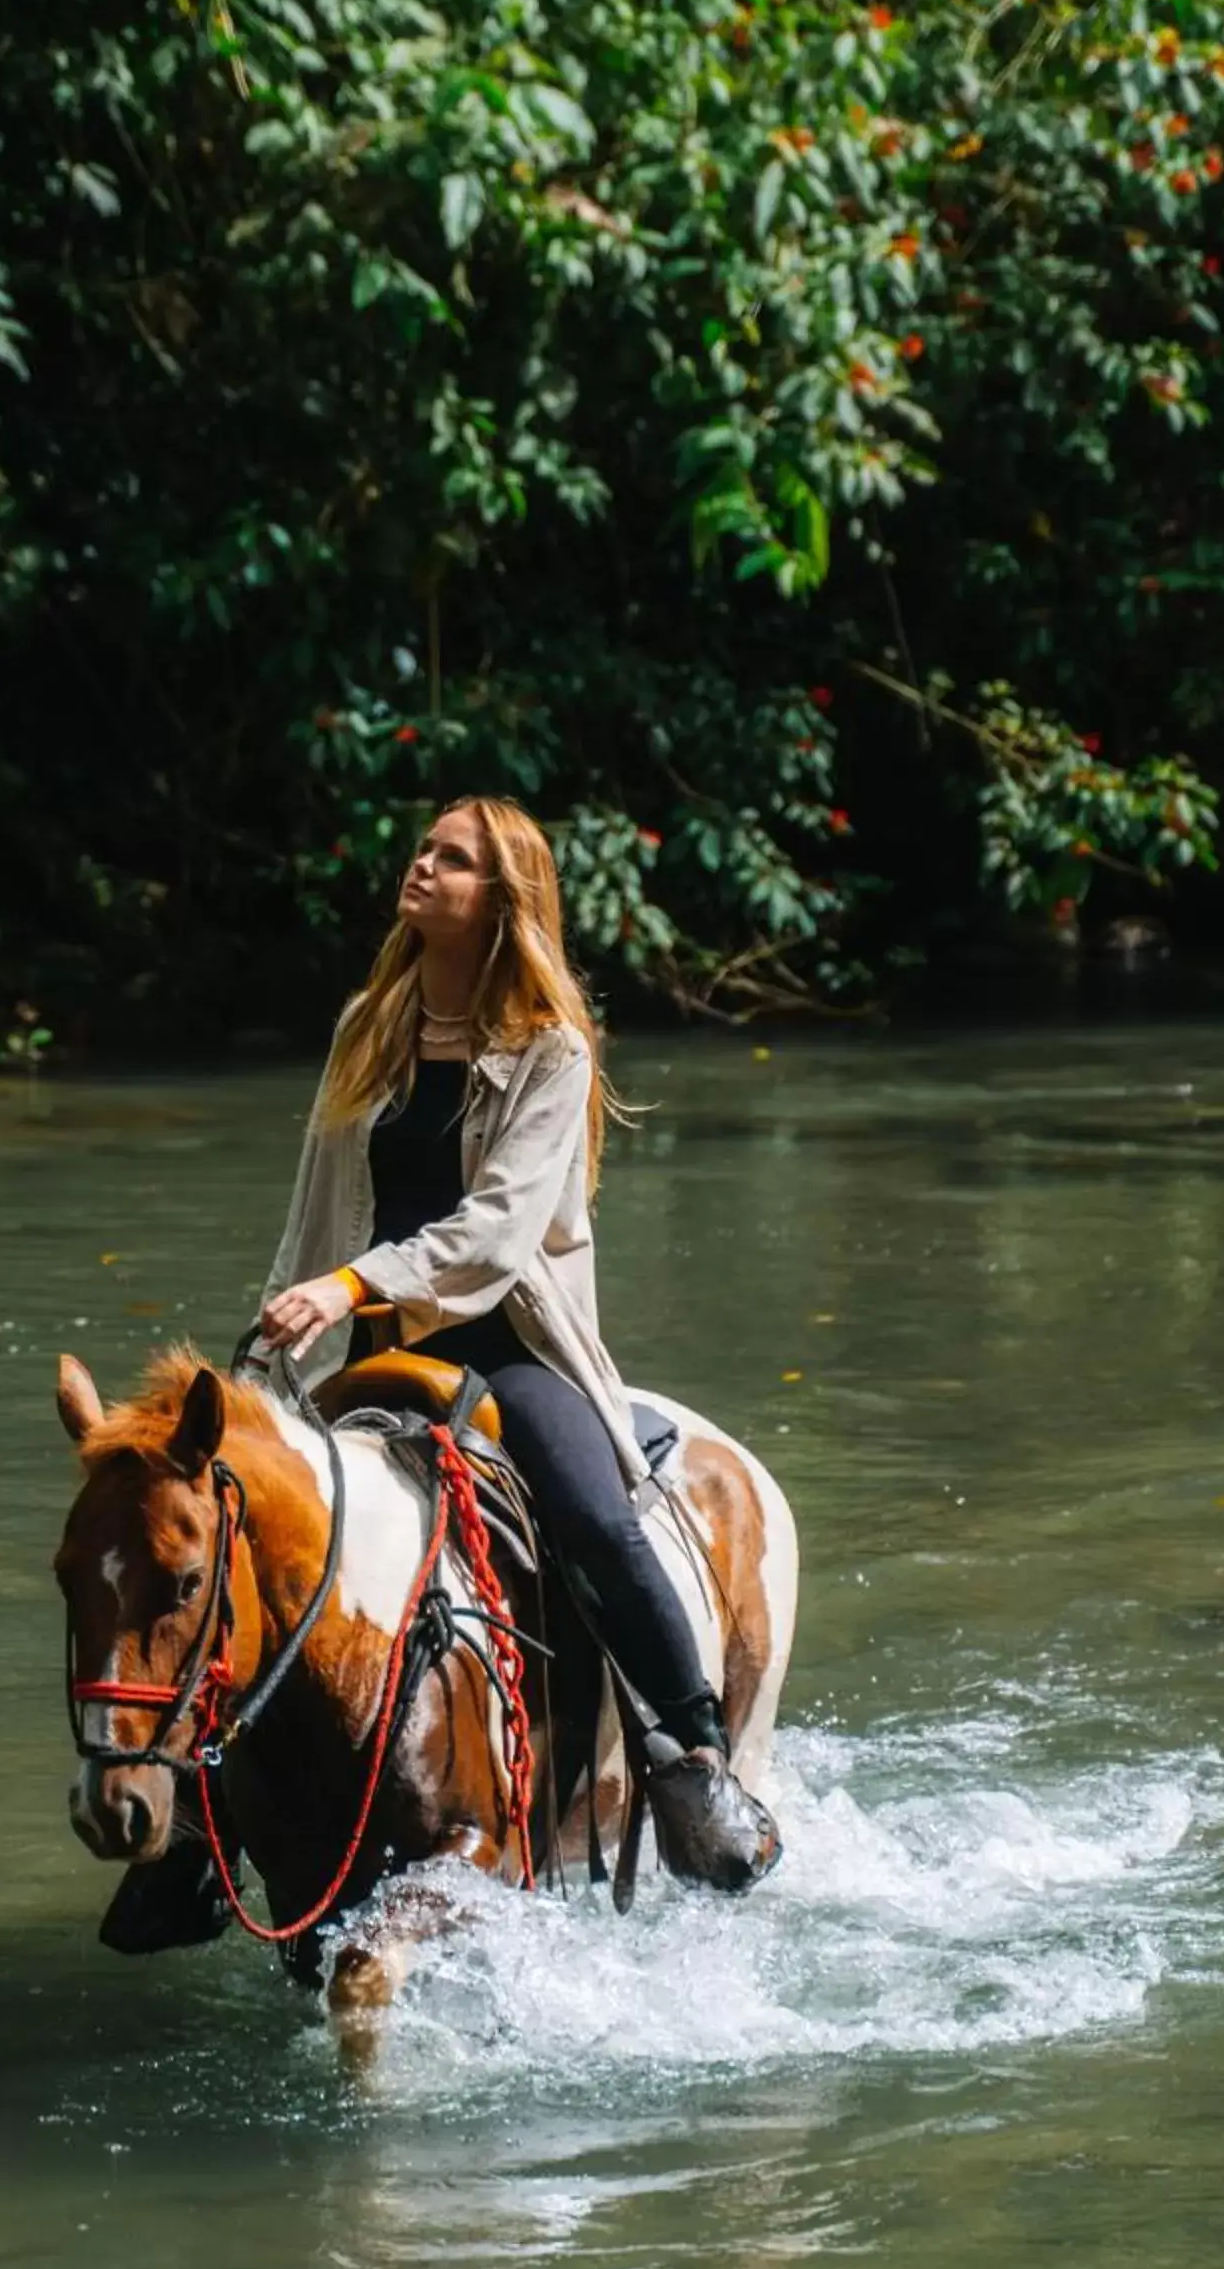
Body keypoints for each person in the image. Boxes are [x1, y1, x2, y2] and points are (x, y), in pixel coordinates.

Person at [101, 797, 781, 1954]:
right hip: (375, 1347)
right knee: (238, 1541)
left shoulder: (553, 1050)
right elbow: (314, 1215)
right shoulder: (370, 1025)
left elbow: (494, 1235)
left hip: (509, 1347)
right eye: (423, 850)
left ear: (500, 897)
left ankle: (691, 1756)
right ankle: (203, 1832)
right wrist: (262, 1362)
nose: (422, 867)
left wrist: (352, 1289)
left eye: (451, 858)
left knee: (594, 1518)